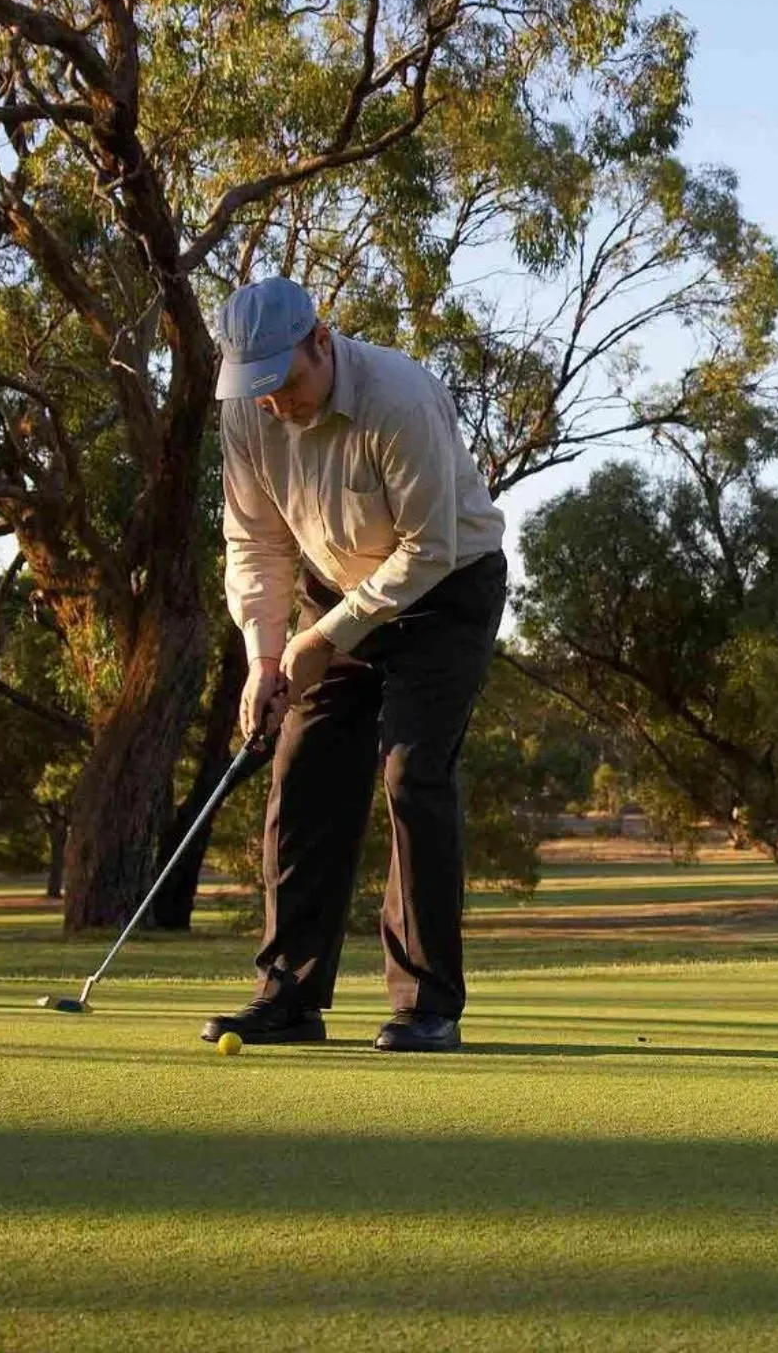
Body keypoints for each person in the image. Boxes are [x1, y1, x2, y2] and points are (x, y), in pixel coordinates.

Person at [200, 278, 507, 1052]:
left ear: (321, 342)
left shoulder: (398, 399)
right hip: (334, 589)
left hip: (445, 589)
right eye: (257, 389)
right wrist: (265, 655)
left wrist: (323, 638)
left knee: (411, 772)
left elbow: (427, 549)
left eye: (287, 381)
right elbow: (256, 544)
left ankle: (427, 1004)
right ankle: (290, 996)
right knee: (301, 769)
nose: (276, 403)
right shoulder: (247, 415)